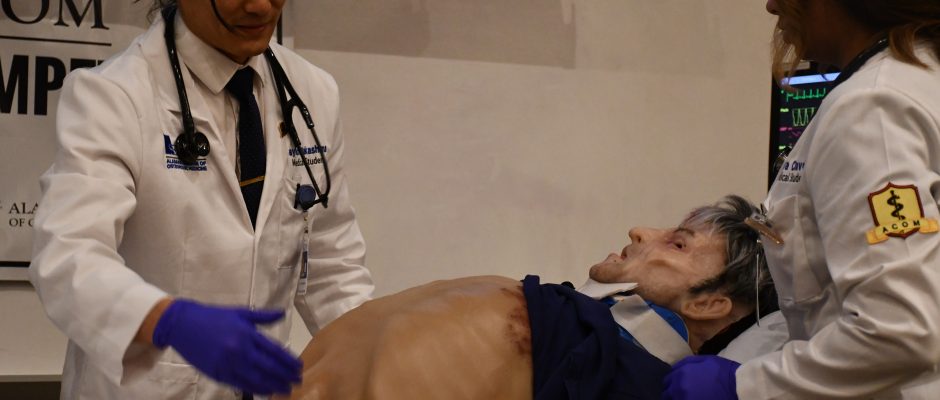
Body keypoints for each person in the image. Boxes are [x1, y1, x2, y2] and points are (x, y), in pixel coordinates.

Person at [28, 0, 374, 398]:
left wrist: (374, 354)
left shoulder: (313, 92)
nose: (260, 6)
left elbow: (332, 265)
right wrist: (167, 321)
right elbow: (67, 256)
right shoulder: (113, 95)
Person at [664, 1, 940, 399]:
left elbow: (900, 330)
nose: (771, 5)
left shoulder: (872, 107)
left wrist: (745, 387)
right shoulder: (916, 82)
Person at [273, 195, 778, 400]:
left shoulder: (629, 376)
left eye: (679, 244)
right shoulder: (595, 324)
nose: (642, 230)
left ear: (708, 304)